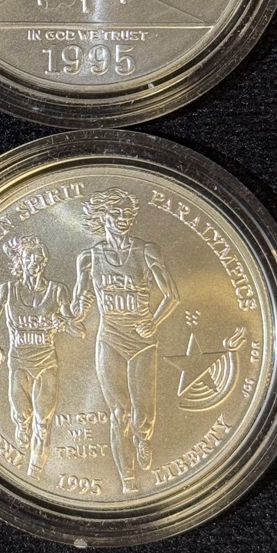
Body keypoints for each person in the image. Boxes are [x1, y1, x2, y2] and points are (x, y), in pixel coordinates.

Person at [72, 189, 179, 493]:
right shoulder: (89, 257)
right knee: (120, 413)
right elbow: (81, 301)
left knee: (143, 414)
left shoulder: (147, 251)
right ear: (103, 216)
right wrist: (75, 312)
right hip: (109, 339)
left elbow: (172, 295)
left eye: (127, 214)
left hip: (142, 341)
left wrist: (153, 322)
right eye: (116, 213)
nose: (122, 218)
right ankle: (128, 481)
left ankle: (143, 438)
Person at [0, 235, 82, 479]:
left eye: (38, 257)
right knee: (22, 412)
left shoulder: (57, 291)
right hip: (19, 361)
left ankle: (35, 470)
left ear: (44, 261)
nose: (34, 262)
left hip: (47, 362)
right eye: (29, 257)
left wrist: (62, 322)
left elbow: (78, 330)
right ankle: (21, 425)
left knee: (44, 420)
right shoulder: (7, 290)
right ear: (21, 261)